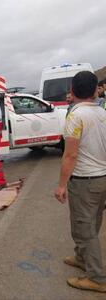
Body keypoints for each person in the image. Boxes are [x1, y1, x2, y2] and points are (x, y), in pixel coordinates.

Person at [54, 71, 106, 292]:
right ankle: (81, 257)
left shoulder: (75, 116)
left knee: (84, 228)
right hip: (102, 178)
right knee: (92, 221)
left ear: (72, 91)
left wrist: (62, 185)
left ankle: (97, 278)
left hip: (85, 180)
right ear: (96, 91)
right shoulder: (103, 112)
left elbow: (70, 155)